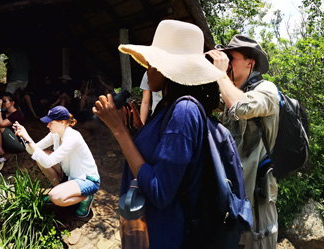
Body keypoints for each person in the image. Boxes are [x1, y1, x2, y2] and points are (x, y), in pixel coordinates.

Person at [93, 19, 226, 248]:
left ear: (169, 70)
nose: (148, 69)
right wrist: (141, 132)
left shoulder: (184, 111)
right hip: (150, 232)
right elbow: (166, 157)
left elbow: (159, 190)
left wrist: (119, 130)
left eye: (153, 64)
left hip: (165, 237)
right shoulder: (167, 106)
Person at [207, 35, 280, 248]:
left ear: (250, 63)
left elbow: (239, 108)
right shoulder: (230, 92)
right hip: (233, 201)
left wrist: (221, 74)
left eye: (231, 57)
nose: (227, 62)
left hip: (257, 203)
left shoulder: (267, 90)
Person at [13, 106, 100, 217]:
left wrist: (28, 139)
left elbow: (48, 162)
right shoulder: (55, 134)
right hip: (70, 174)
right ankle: (61, 188)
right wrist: (24, 137)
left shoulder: (73, 137)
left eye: (50, 122)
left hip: (87, 180)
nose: (47, 125)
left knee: (55, 197)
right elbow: (33, 150)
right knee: (41, 155)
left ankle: (86, 197)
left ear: (62, 122)